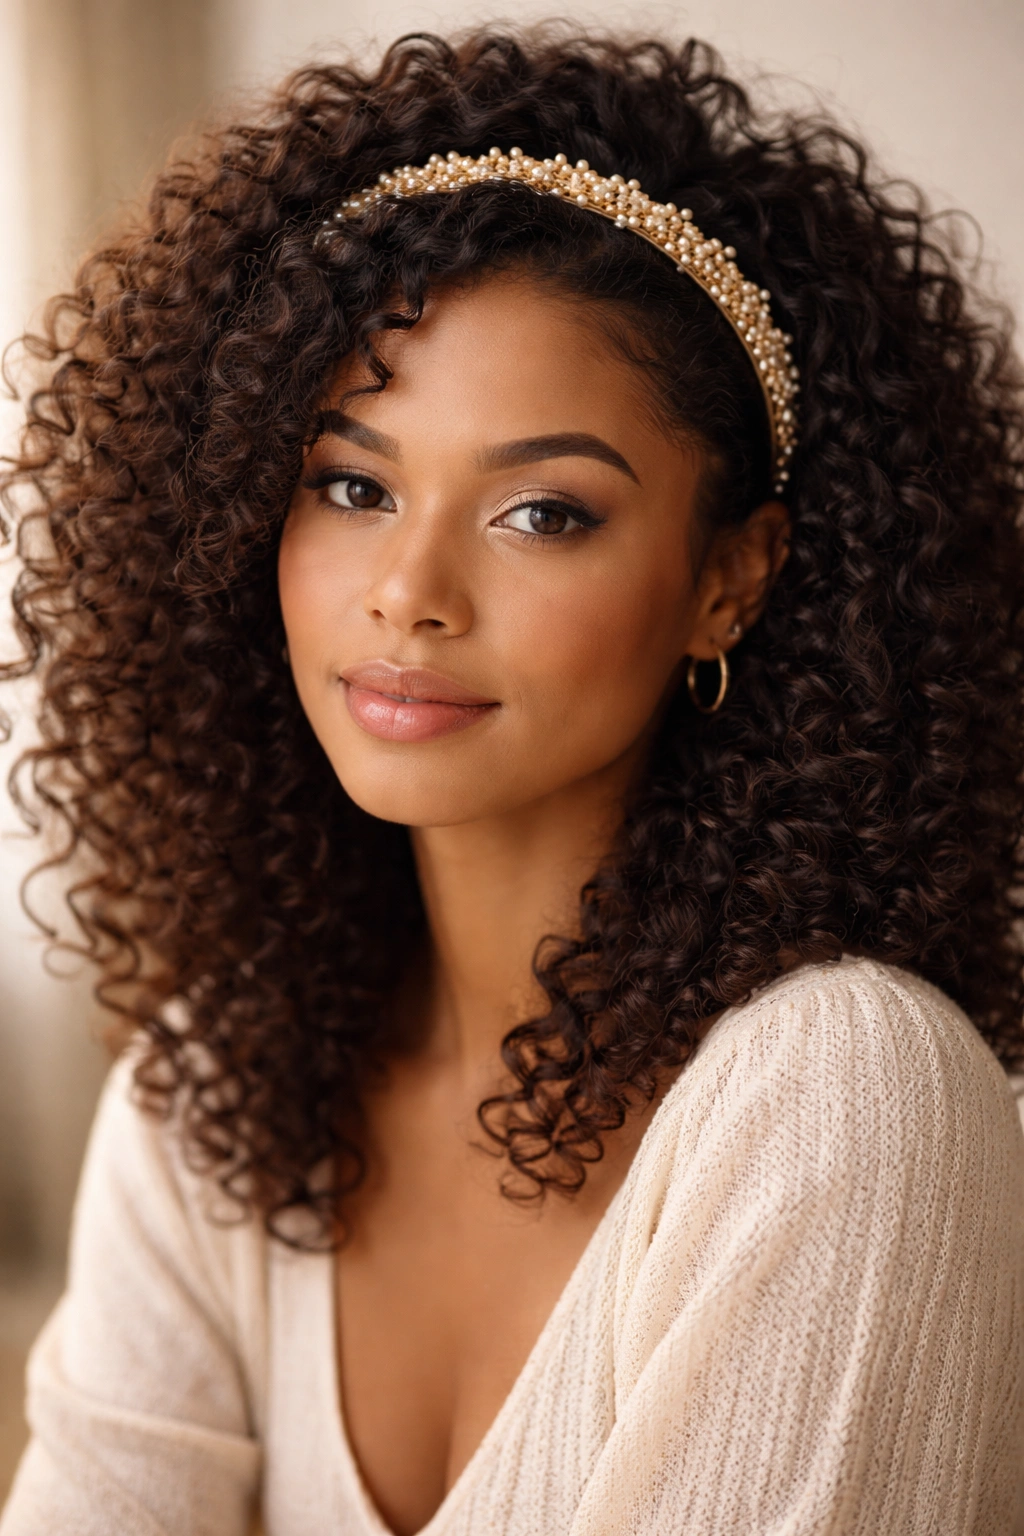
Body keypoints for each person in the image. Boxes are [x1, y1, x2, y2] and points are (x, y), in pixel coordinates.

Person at [1, 26, 1022, 1536]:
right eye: (353, 486)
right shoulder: (223, 1080)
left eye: (544, 512)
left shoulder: (842, 1093)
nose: (408, 591)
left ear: (732, 580)